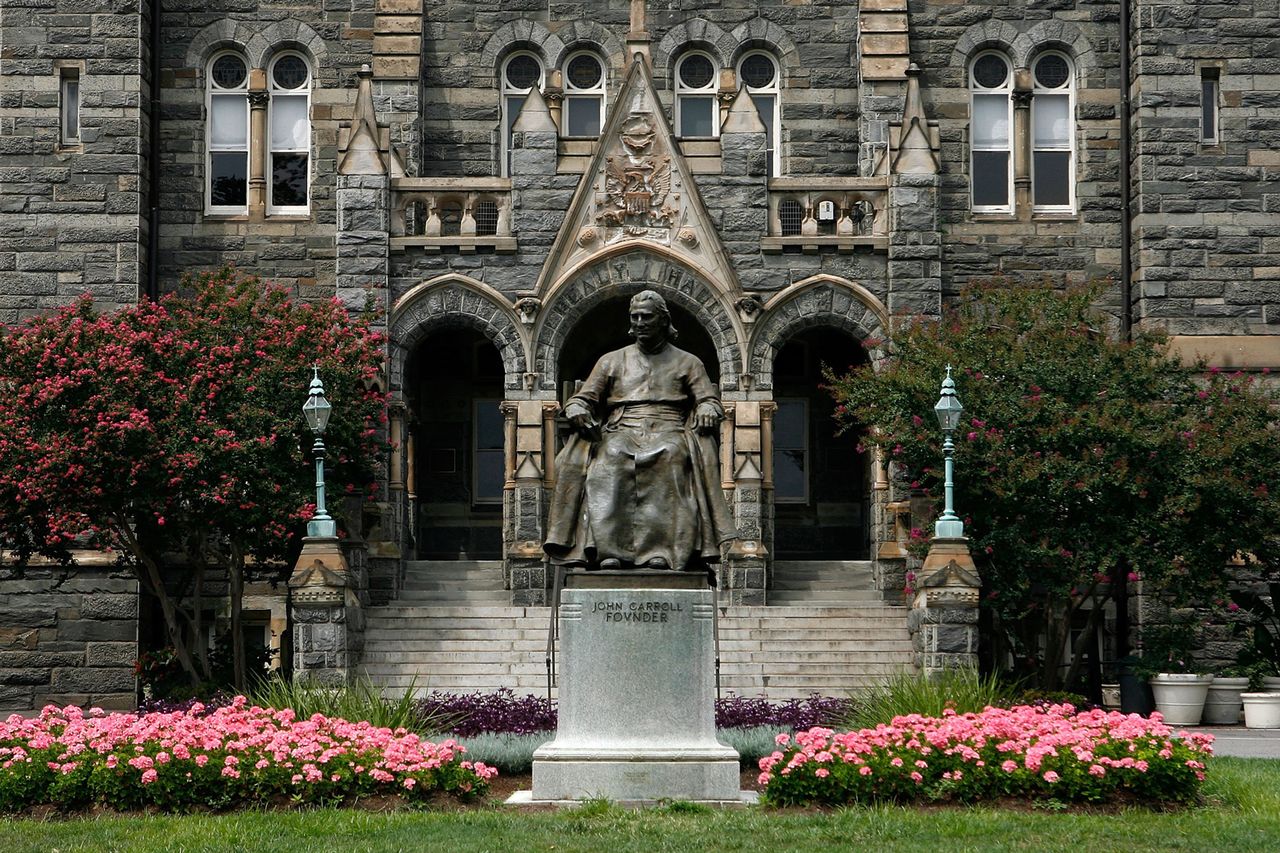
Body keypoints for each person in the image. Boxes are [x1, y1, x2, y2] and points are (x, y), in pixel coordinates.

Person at [544, 290, 736, 571]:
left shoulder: (688, 362)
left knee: (670, 456)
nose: (640, 322)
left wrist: (708, 408)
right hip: (621, 427)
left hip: (670, 427)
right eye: (635, 317)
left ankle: (663, 552)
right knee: (610, 457)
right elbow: (582, 398)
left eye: (647, 316)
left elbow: (708, 400)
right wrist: (575, 409)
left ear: (663, 320)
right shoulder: (611, 360)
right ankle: (610, 551)